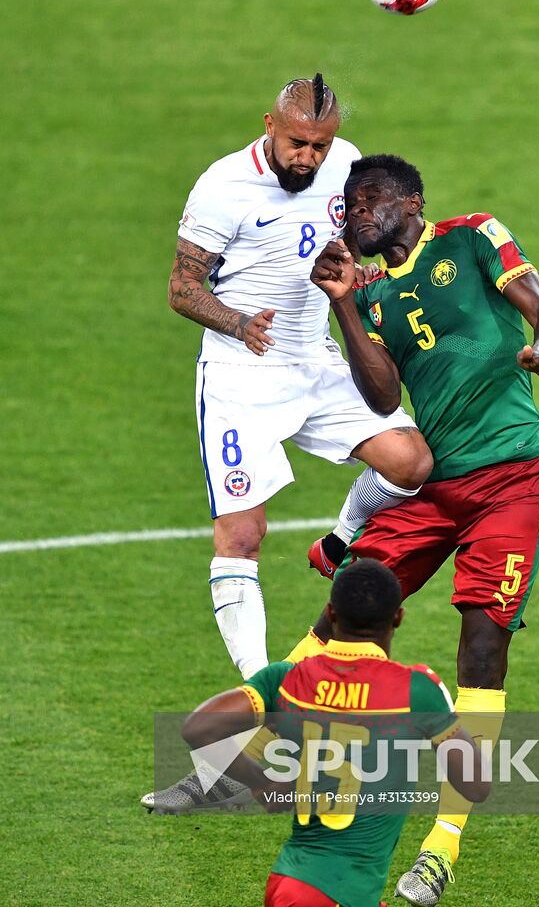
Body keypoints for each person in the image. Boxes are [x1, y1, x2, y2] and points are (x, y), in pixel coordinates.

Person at [296, 153, 539, 904]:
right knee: (347, 606)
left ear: (410, 202)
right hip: (434, 485)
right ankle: (295, 751)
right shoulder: (375, 294)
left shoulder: (470, 236)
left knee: (482, 645)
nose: (354, 213)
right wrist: (344, 305)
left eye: (368, 200)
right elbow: (382, 390)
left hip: (510, 478)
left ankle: (442, 848)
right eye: (348, 205)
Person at [142, 81, 432, 813]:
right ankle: (268, 692)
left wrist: (359, 276)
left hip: (315, 357)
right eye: (298, 141)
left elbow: (364, 243)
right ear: (270, 126)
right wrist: (238, 323)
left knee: (411, 463)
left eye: (321, 145)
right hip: (242, 369)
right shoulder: (223, 185)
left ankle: (340, 537)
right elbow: (182, 287)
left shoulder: (347, 168)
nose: (309, 156)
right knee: (242, 535)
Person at [181, 559, 489, 907]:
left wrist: (260, 782)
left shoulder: (284, 679)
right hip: (335, 895)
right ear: (398, 617)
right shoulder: (416, 690)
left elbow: (200, 728)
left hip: (293, 882)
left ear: (330, 613)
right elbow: (476, 786)